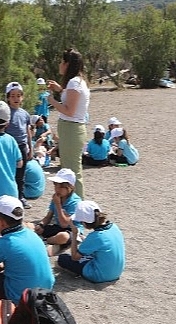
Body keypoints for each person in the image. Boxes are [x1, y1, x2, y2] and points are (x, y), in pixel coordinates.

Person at [0, 195, 55, 305]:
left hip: (20, 296)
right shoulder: (31, 234)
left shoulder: (6, 242)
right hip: (45, 291)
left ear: (2, 222)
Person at [47, 48, 90, 198]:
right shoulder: (76, 82)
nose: (60, 64)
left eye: (62, 61)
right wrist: (60, 89)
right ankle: (73, 205)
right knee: (70, 169)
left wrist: (52, 101)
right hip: (71, 129)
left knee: (72, 172)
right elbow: (72, 100)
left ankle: (79, 207)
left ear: (67, 64)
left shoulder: (74, 83)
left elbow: (69, 110)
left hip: (72, 130)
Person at [58, 200, 125, 283]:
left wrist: (74, 234)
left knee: (63, 258)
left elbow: (74, 257)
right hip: (116, 273)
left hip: (99, 275)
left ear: (86, 223)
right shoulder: (114, 227)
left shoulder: (95, 236)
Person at [31, 168, 83, 256]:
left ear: (70, 187)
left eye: (61, 187)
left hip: (72, 230)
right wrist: (41, 225)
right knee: (29, 226)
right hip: (57, 227)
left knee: (63, 237)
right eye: (55, 185)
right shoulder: (57, 197)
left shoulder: (75, 202)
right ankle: (56, 245)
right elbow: (48, 217)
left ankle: (46, 242)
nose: (57, 189)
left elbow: (65, 224)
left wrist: (58, 205)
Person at [5, 82, 33, 209]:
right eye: (13, 96)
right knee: (9, 172)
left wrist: (30, 148)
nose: (16, 98)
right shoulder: (5, 113)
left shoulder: (25, 114)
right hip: (9, 147)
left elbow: (28, 132)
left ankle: (20, 197)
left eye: (18, 95)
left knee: (21, 174)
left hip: (22, 146)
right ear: (8, 97)